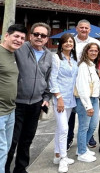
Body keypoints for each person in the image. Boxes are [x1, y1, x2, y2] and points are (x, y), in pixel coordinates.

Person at [6, 22, 52, 173]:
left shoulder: (49, 55)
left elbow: (48, 78)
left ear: (47, 39)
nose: (39, 37)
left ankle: (20, 168)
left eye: (43, 35)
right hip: (17, 103)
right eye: (36, 34)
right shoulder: (19, 49)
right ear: (31, 36)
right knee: (11, 141)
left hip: (36, 103)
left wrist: (46, 97)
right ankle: (4, 168)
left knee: (27, 139)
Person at [67, 19, 100, 150]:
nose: (84, 30)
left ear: (90, 30)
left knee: (89, 120)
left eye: (86, 28)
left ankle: (87, 139)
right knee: (72, 114)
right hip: (71, 80)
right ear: (77, 28)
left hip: (89, 80)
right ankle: (69, 138)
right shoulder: (71, 41)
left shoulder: (95, 42)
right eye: (81, 27)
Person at [49, 33, 78, 172]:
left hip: (70, 98)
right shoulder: (56, 58)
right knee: (64, 129)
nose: (68, 44)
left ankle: (57, 154)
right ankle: (63, 159)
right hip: (60, 99)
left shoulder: (73, 58)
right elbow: (52, 79)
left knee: (61, 128)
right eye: (66, 42)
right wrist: (58, 97)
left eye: (71, 42)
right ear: (61, 44)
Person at [0, 24, 27, 173]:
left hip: (10, 110)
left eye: (22, 38)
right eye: (16, 36)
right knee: (1, 149)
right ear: (6, 35)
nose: (19, 40)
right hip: (0, 111)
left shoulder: (12, 54)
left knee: (7, 147)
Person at [74, 43, 100, 162]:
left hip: (94, 98)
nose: (94, 53)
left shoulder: (92, 65)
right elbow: (82, 87)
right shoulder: (83, 66)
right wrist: (88, 106)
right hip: (86, 100)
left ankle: (82, 147)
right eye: (91, 50)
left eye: (96, 51)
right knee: (84, 127)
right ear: (86, 51)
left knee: (93, 125)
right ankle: (81, 152)